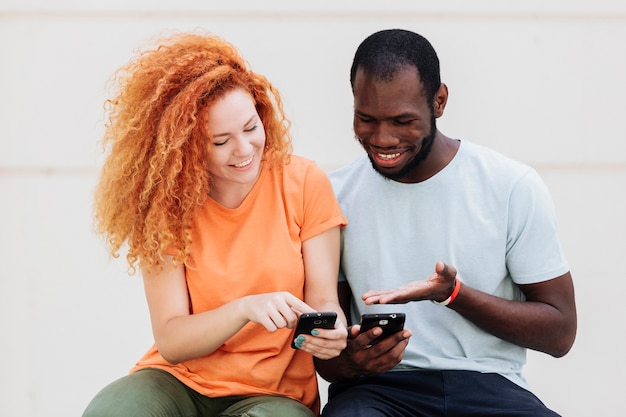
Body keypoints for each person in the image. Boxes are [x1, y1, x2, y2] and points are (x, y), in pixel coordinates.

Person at [83, 31, 348, 417]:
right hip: (178, 382)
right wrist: (244, 310)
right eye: (220, 141)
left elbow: (324, 300)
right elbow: (172, 338)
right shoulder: (166, 205)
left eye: (251, 127)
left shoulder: (304, 182)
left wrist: (333, 332)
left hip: (273, 396)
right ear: (186, 145)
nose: (244, 150)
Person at [315, 29, 577, 417]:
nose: (383, 138)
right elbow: (326, 357)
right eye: (366, 119)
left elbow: (560, 332)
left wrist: (454, 295)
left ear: (439, 102)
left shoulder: (510, 185)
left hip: (490, 385)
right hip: (376, 393)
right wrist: (352, 360)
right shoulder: (331, 196)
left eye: (403, 121)